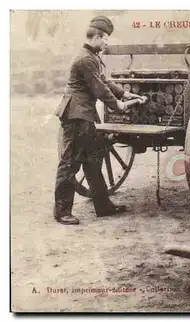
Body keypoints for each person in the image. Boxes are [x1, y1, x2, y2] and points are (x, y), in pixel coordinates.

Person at [53, 16, 143, 225]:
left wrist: (124, 94)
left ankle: (103, 206)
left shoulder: (91, 56)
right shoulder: (86, 59)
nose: (106, 43)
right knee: (70, 163)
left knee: (92, 161)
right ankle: (62, 211)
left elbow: (105, 81)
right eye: (105, 38)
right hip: (76, 116)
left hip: (84, 116)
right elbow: (99, 89)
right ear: (96, 36)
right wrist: (117, 105)